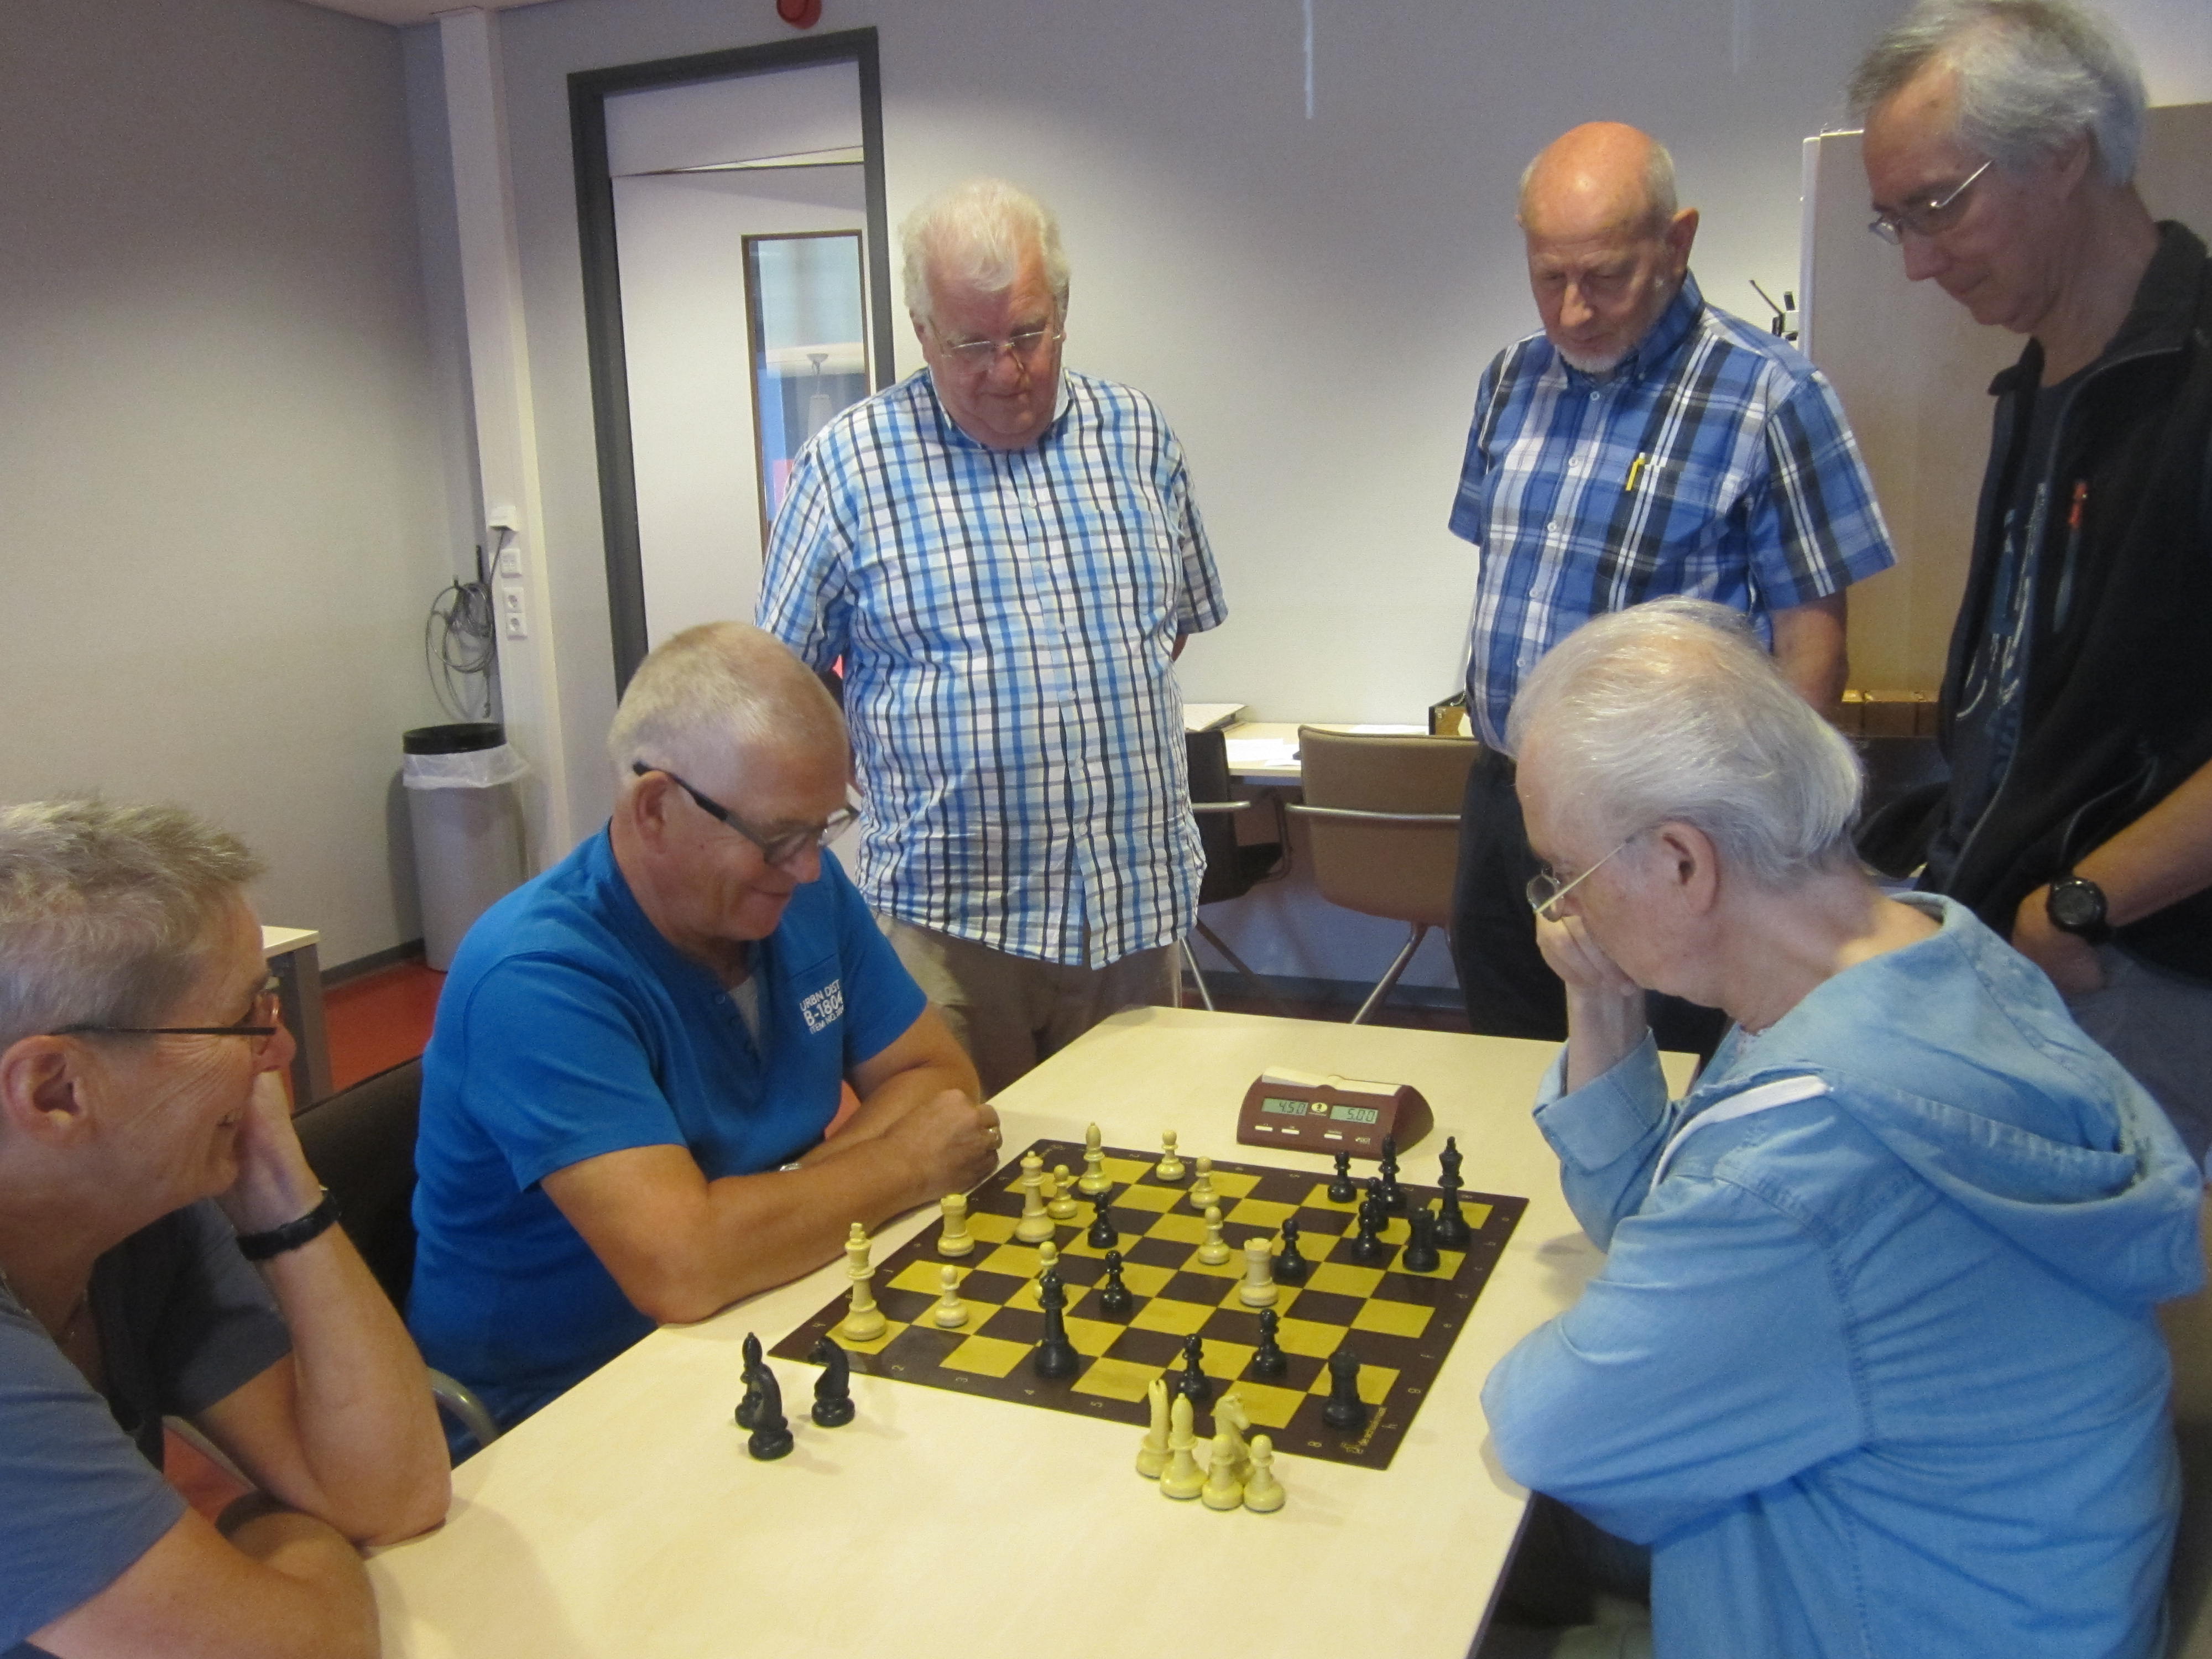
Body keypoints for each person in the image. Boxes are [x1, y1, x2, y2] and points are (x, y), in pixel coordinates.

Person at [1479, 599, 2201, 1657]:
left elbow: (1552, 1428)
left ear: (1682, 862)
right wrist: (1602, 1001)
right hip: (2009, 1588)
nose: (1563, 912)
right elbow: (1662, 1222)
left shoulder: (1813, 1160)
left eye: (1567, 873)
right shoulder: (1927, 953)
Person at [408, 623, 999, 1430]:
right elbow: (683, 1267)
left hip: (769, 1314)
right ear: (656, 807)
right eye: (779, 837)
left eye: (824, 828)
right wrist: (903, 1168)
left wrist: (761, 1219)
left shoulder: (801, 893)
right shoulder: (537, 974)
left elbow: (939, 1082)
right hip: (560, 1413)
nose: (809, 867)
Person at [758, 176, 1227, 1098]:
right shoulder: (847, 466)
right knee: (964, 1205)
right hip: (951, 930)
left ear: (1063, 313)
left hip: (1131, 913)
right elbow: (782, 687)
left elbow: (1166, 630)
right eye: (971, 343)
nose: (1005, 370)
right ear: (923, 330)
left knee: (1143, 1185)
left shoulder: (1138, 437)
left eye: (1028, 335)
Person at [1850, 0, 2212, 1163]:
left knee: (2155, 1326)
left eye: (1934, 207)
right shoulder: (2039, 379)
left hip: (2145, 968)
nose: (1913, 262)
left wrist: (2080, 904)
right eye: (1890, 224)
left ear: (2061, 154)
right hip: (2034, 960)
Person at [1448, 122, 1896, 1048]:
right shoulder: (1510, 383)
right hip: (1509, 802)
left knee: (1677, 1077)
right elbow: (1507, 586)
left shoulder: (1773, 396)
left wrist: (1762, 847)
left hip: (1671, 834)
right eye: (1549, 277)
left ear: (1678, 242)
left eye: (1606, 276)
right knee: (1508, 1061)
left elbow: (1813, 646)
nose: (1574, 312)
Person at [0, 797, 449, 1659]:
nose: (278, 1058)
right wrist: (278, 1530)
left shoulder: (133, 1209)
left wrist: (284, 1189)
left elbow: (394, 1492)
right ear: (57, 1090)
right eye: (247, 1019)